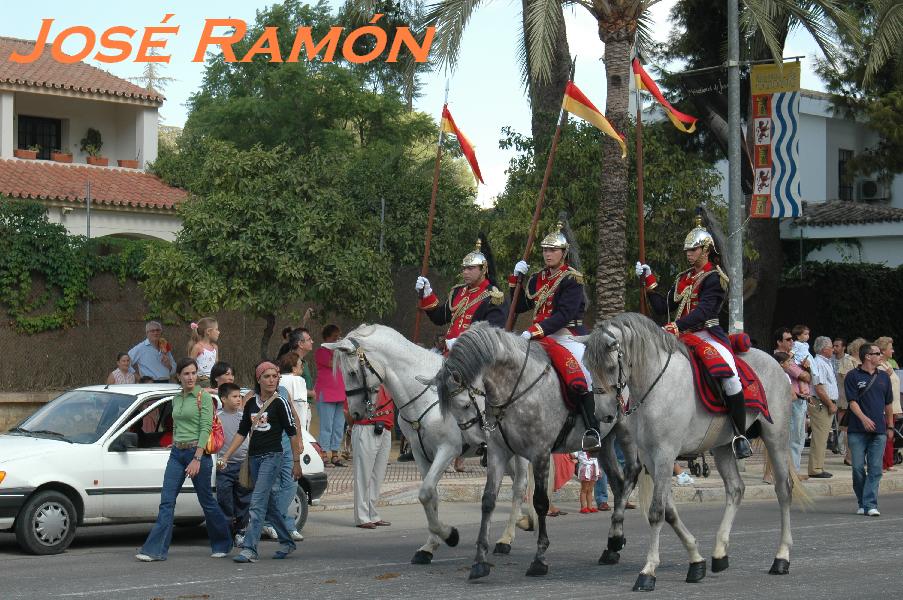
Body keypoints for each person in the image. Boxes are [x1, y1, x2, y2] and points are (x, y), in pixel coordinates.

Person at [637, 213, 751, 459]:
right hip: (680, 336)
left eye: (694, 249)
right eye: (687, 250)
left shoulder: (714, 277)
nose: (689, 254)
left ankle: (740, 434)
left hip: (707, 334)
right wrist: (649, 279)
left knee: (730, 377)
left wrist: (677, 325)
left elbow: (705, 311)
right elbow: (662, 307)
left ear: (706, 250)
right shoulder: (682, 278)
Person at [510, 221, 598, 447]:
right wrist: (515, 282)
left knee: (582, 376)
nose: (548, 254)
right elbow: (518, 306)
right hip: (540, 337)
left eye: (553, 250)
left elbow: (564, 314)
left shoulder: (572, 278)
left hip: (567, 335)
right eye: (545, 250)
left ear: (564, 252)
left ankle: (592, 430)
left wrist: (535, 330)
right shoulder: (538, 278)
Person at [135, 358, 232, 561]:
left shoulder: (203, 397)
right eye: (186, 373)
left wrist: (197, 458)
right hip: (177, 454)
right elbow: (177, 425)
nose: (190, 377)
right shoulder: (176, 399)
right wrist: (176, 442)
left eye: (193, 373)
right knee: (167, 502)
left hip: (198, 455)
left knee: (206, 501)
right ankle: (155, 551)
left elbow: (206, 428)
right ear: (178, 376)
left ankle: (223, 543)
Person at [219, 361, 302, 562]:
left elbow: (292, 433)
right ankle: (287, 541)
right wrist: (227, 455)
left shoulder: (280, 402)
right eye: (267, 376)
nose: (272, 380)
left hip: (272, 457)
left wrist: (296, 461)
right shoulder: (250, 404)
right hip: (254, 459)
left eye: (275, 376)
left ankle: (250, 549)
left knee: (256, 503)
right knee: (270, 504)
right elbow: (242, 432)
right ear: (259, 379)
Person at [416, 236, 506, 353]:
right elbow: (439, 318)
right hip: (448, 354)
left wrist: (463, 343)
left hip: (472, 358)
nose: (465, 272)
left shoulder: (493, 296)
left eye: (470, 268)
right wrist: (427, 294)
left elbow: (493, 334)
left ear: (483, 269)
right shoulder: (458, 291)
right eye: (464, 268)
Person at [844, 342, 894, 516]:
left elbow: (888, 404)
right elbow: (852, 402)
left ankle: (870, 504)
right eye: (877, 353)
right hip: (857, 429)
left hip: (879, 430)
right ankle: (862, 501)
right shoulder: (852, 376)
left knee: (875, 468)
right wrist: (864, 419)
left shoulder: (884, 377)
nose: (881, 356)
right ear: (867, 356)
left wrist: (890, 426)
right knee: (857, 468)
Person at [352, 385, 395, 529]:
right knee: (363, 475)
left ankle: (372, 514)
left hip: (386, 427)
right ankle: (362, 517)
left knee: (378, 475)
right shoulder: (363, 375)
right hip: (366, 426)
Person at [216, 383, 251, 545]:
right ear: (223, 399)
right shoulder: (217, 417)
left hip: (243, 465)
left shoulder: (245, 416)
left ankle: (241, 531)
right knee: (225, 498)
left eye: (240, 397)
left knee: (244, 499)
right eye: (235, 397)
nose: (239, 400)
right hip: (225, 466)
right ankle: (227, 532)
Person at [315, 324, 348, 468]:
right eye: (335, 337)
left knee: (339, 425)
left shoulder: (340, 352)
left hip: (340, 393)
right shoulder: (321, 351)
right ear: (327, 337)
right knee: (326, 426)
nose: (337, 339)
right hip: (326, 392)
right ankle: (323, 453)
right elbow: (332, 364)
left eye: (339, 337)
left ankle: (335, 454)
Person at [809, 336, 839, 478]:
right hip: (822, 403)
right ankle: (816, 468)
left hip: (825, 403)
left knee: (822, 436)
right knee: (820, 437)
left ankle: (818, 466)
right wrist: (830, 404)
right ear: (824, 349)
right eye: (831, 346)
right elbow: (819, 388)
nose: (833, 349)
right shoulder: (819, 363)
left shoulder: (824, 362)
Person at [875, 337, 900, 472]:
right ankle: (881, 463)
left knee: (890, 435)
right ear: (883, 351)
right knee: (882, 435)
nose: (893, 350)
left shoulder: (888, 364)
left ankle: (889, 462)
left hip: (893, 406)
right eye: (890, 348)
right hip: (884, 406)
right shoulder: (879, 366)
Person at [187, 317, 219, 388]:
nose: (218, 332)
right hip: (202, 382)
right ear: (208, 331)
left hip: (213, 380)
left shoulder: (215, 347)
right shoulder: (198, 347)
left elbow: (216, 365)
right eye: (216, 329)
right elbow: (189, 366)